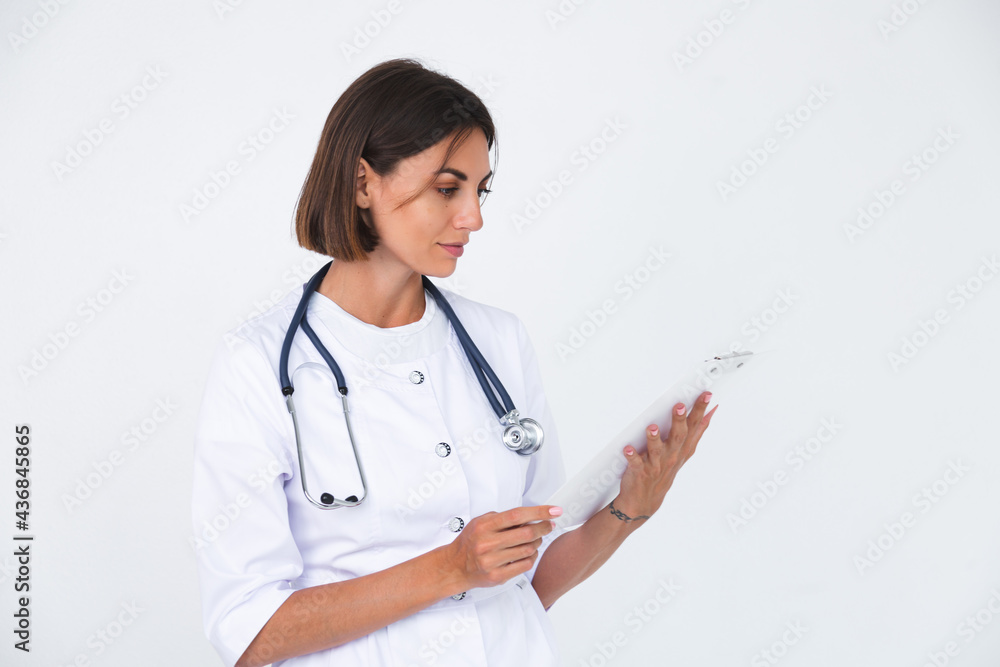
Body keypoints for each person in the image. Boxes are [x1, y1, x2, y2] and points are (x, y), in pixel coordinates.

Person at [190, 57, 718, 667]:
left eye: (479, 189)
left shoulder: (498, 340)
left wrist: (631, 508)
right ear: (364, 184)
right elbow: (250, 633)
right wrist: (450, 567)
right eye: (448, 188)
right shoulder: (257, 364)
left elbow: (528, 579)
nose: (474, 216)